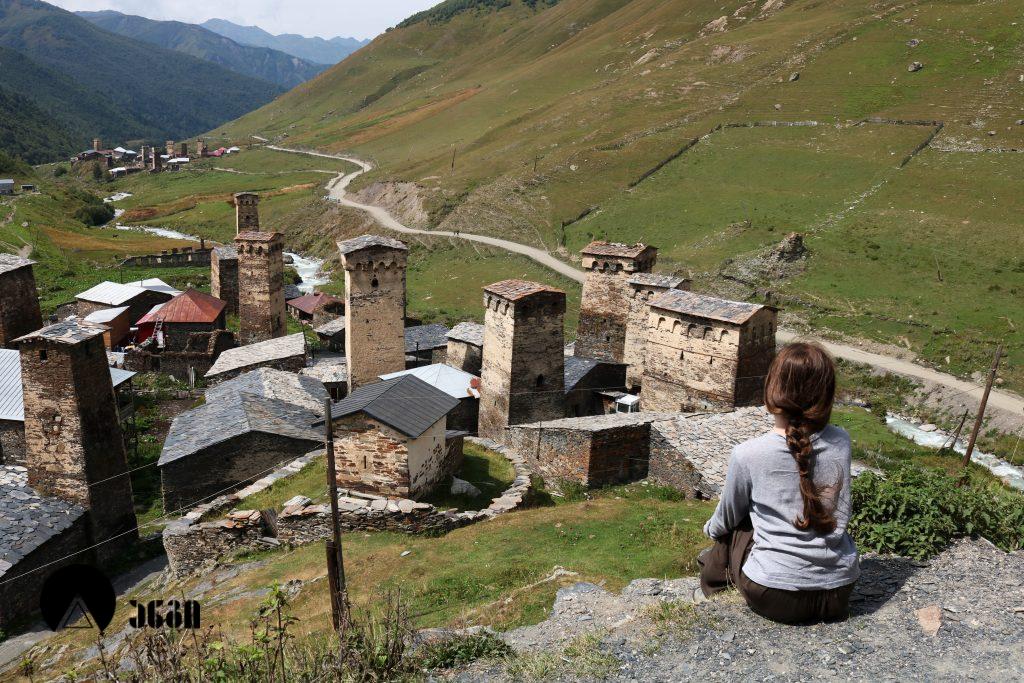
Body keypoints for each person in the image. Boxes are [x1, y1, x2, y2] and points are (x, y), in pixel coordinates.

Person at [696, 341, 860, 624]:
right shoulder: (841, 441)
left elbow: (725, 519)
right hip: (838, 592)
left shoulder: (748, 453)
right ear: (826, 394)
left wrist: (710, 529)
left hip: (773, 594)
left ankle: (712, 584)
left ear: (773, 390)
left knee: (740, 520)